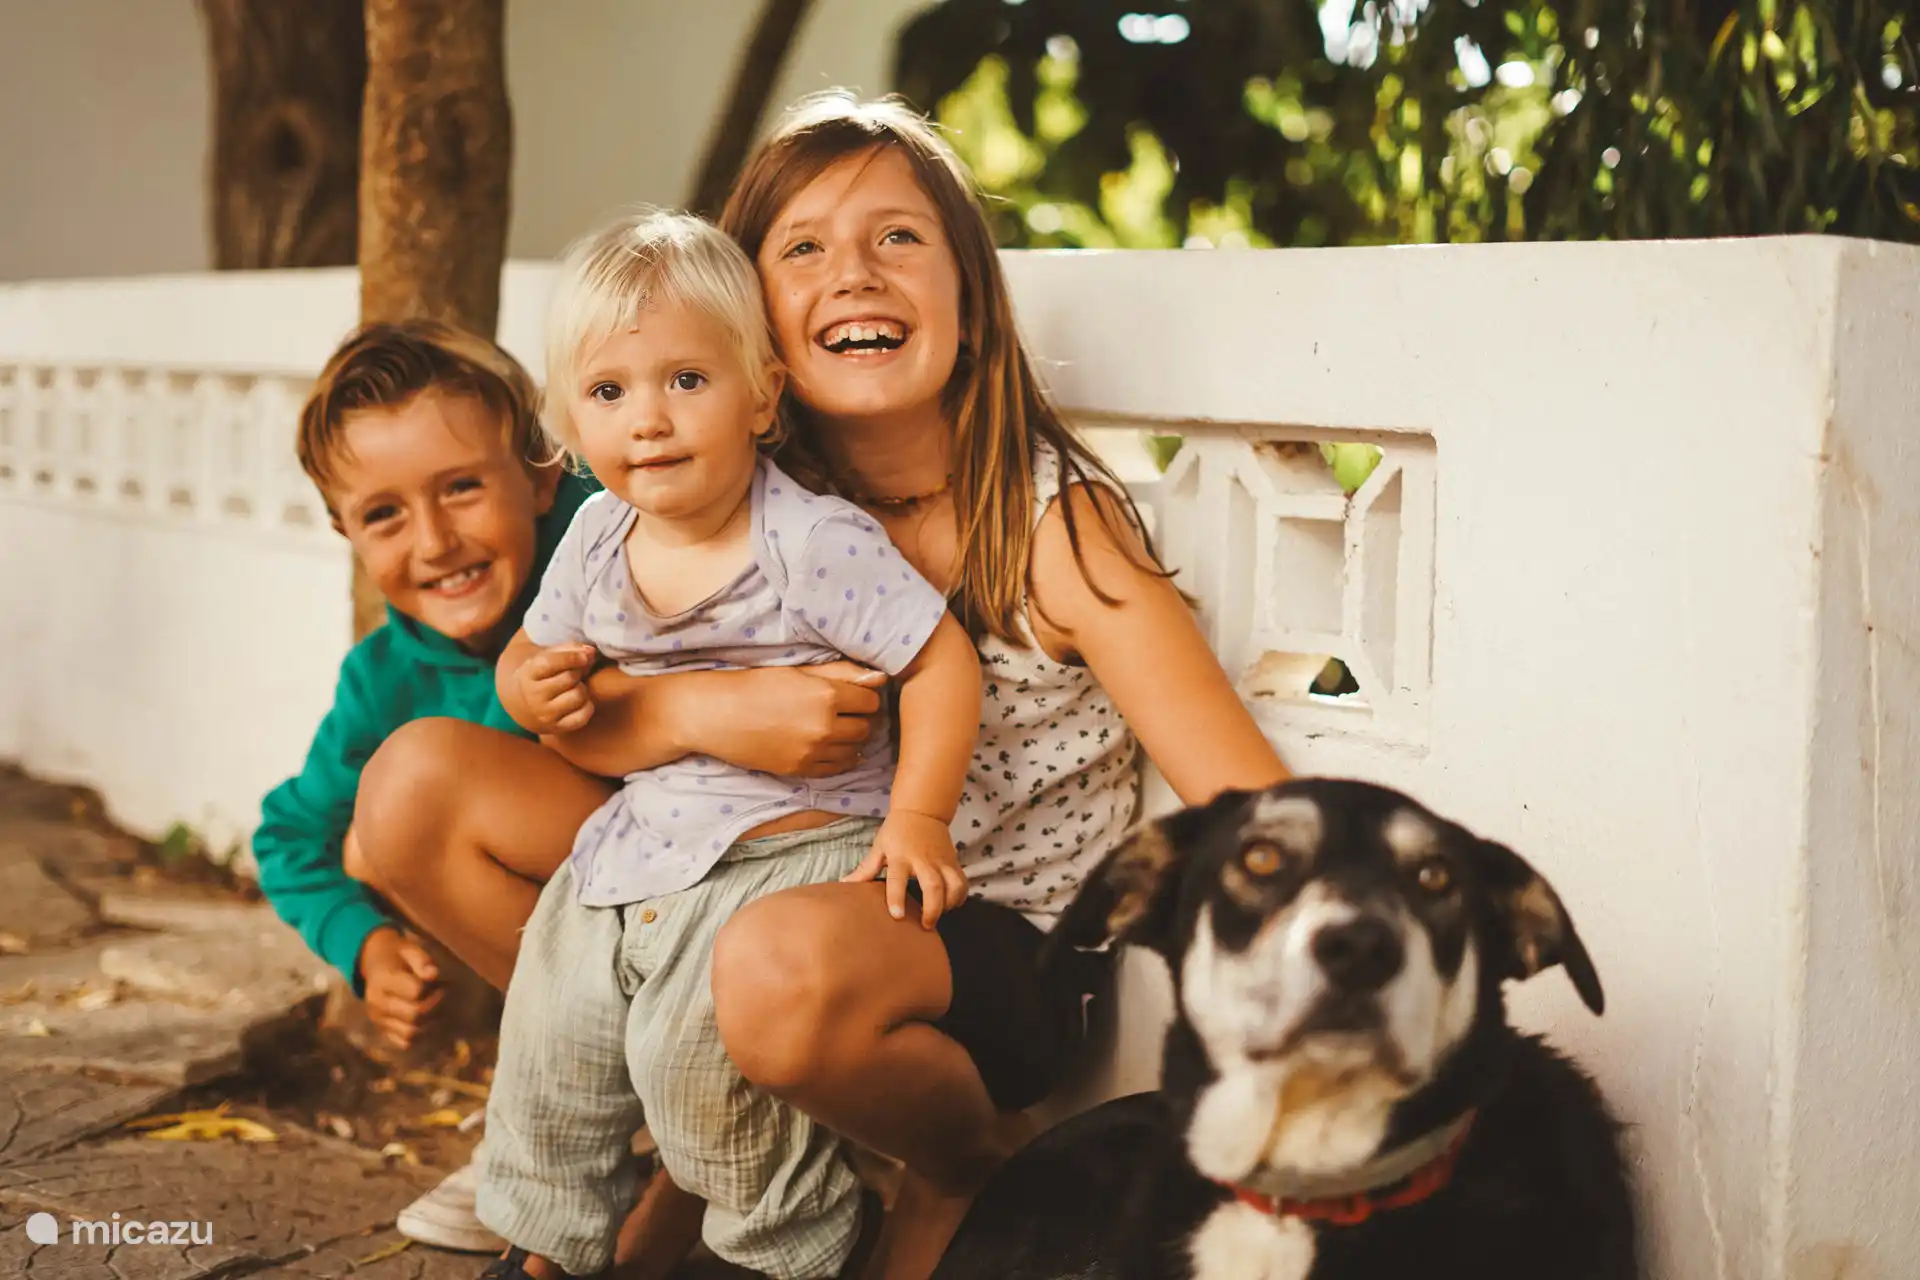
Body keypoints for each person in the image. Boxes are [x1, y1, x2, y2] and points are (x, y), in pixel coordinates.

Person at [354, 91, 1291, 1280]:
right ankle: (682, 1124)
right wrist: (701, 712)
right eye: (802, 248)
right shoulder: (718, 478)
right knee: (413, 789)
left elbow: (1247, 803)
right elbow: (583, 729)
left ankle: (952, 1162)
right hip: (729, 865)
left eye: (899, 238)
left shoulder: (1049, 523)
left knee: (768, 961)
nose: (854, 273)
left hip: (973, 931)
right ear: (749, 326)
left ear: (969, 293)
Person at [472, 208, 981, 1280]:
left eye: (685, 382)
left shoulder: (807, 539)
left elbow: (939, 659)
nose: (647, 420)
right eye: (610, 392)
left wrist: (919, 815)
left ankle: (782, 1251)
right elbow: (531, 652)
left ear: (761, 392)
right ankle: (546, 1245)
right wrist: (530, 682)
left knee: (699, 1072)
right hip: (631, 845)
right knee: (548, 1043)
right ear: (569, 423)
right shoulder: (598, 534)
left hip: (783, 855)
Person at [248, 319, 593, 1253]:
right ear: (345, 533)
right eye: (385, 514)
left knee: (407, 801)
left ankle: (580, 1104)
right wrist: (362, 945)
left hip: (705, 868)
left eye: (463, 488)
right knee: (382, 814)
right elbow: (289, 837)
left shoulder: (617, 554)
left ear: (542, 472)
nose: (436, 541)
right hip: (593, 941)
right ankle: (596, 1093)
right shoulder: (382, 680)